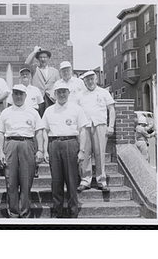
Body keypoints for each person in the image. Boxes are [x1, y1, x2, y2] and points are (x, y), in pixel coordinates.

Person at [0, 84, 44, 218]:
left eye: (21, 94)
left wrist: (40, 150)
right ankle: (13, 213)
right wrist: (0, 151)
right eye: (16, 94)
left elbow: (39, 131)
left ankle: (24, 213)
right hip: (10, 144)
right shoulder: (6, 112)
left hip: (27, 144)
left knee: (26, 181)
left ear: (25, 96)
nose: (18, 96)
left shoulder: (33, 112)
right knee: (10, 181)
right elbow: (0, 133)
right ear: (12, 96)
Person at [42, 82, 89, 218]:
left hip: (71, 143)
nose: (62, 95)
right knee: (56, 181)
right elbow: (44, 130)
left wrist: (82, 150)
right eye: (59, 92)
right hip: (54, 144)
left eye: (64, 92)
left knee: (71, 180)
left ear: (68, 93)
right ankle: (57, 212)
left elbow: (83, 130)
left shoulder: (76, 109)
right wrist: (45, 150)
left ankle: (73, 212)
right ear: (55, 94)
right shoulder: (49, 110)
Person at [76, 70, 116, 193]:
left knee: (100, 154)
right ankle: (85, 180)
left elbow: (112, 109)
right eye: (87, 79)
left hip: (100, 125)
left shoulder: (104, 92)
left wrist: (111, 126)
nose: (90, 81)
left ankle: (101, 181)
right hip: (85, 126)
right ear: (84, 81)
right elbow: (76, 112)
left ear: (96, 79)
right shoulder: (80, 94)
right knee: (85, 153)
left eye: (92, 79)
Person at [7, 64, 44, 178]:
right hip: (18, 117)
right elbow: (9, 105)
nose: (25, 77)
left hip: (32, 117)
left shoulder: (36, 90)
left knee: (33, 144)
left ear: (31, 77)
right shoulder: (15, 89)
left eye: (27, 75)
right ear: (20, 77)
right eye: (23, 75)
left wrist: (38, 119)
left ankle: (35, 168)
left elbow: (41, 105)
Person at [25, 46, 60, 116]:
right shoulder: (35, 69)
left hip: (51, 100)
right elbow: (27, 63)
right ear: (38, 59)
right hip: (38, 100)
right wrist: (34, 51)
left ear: (48, 58)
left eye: (45, 57)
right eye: (41, 57)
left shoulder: (55, 71)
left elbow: (58, 85)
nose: (43, 59)